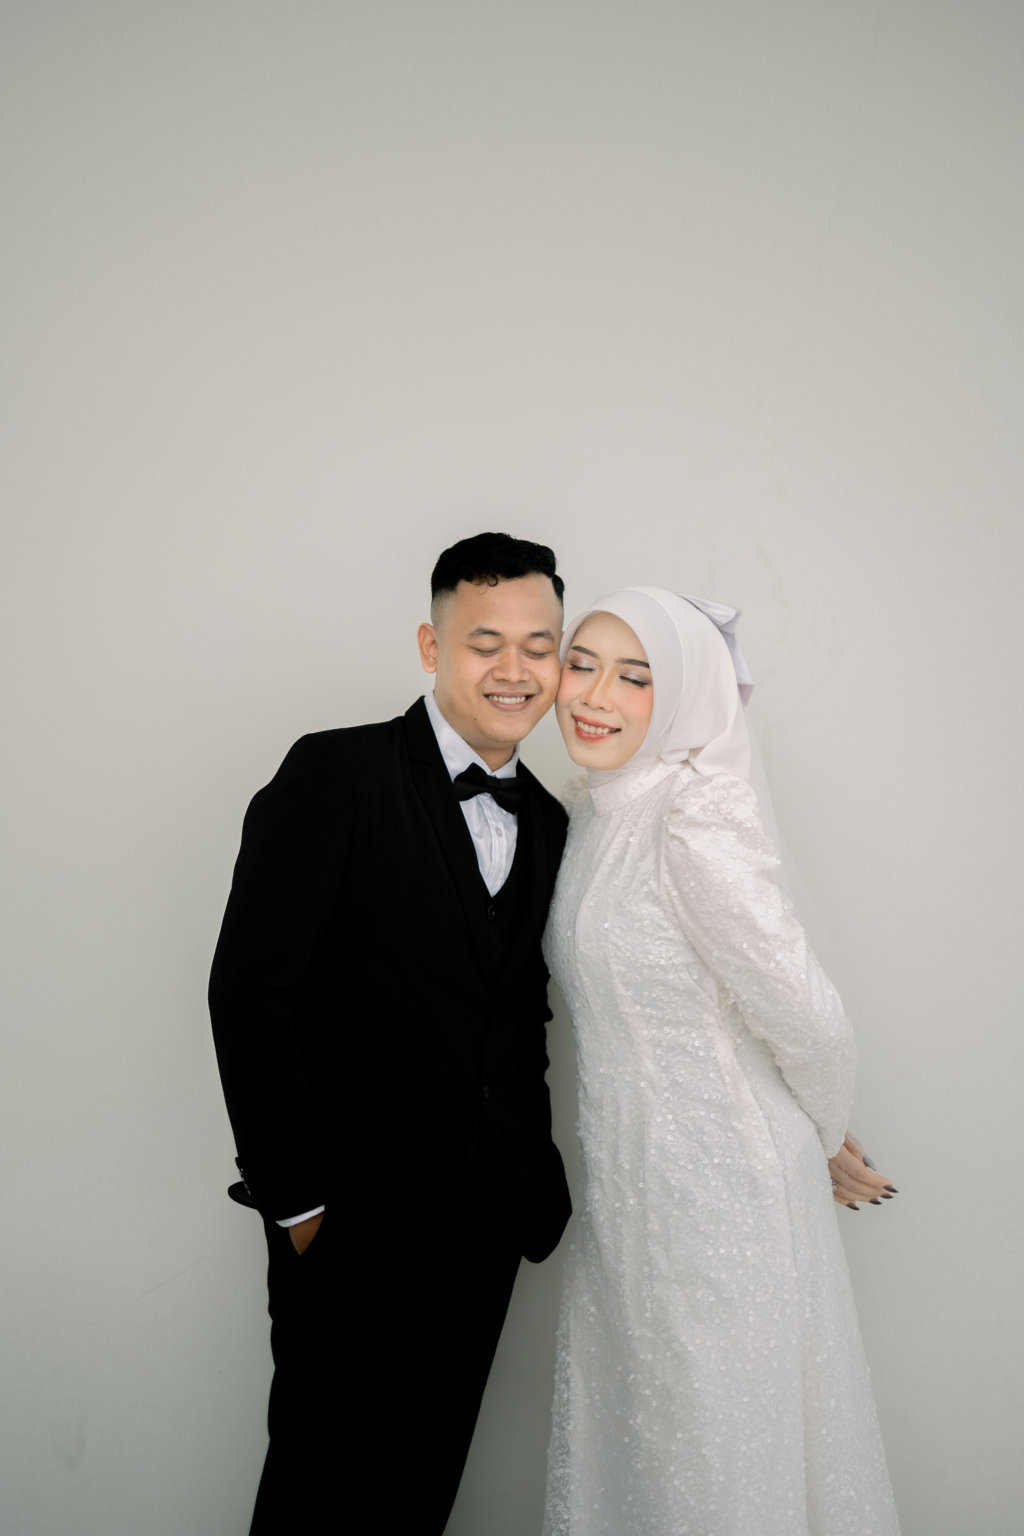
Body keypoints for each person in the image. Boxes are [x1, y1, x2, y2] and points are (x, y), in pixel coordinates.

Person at [209, 533, 573, 1534]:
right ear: (430, 645)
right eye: (484, 642)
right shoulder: (335, 773)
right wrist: (300, 1208)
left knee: (418, 1499)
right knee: (319, 1501)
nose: (514, 669)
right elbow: (251, 993)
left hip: (486, 1222)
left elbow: (521, 1011)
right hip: (350, 1224)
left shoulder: (549, 821)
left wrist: (526, 1176)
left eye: (538, 645)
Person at [541, 586, 900, 1536]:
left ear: (688, 695)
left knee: (717, 1454)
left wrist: (825, 1132)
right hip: (629, 1196)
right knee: (649, 1446)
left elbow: (808, 1015)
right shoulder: (596, 810)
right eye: (582, 665)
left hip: (722, 1199)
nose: (595, 696)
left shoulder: (693, 817)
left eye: (636, 677)